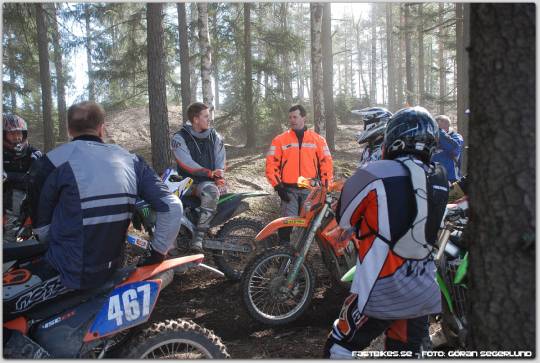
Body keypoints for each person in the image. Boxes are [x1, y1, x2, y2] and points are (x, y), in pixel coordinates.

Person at [323, 106, 449, 358]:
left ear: (394, 138)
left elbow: (344, 220)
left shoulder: (371, 173)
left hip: (380, 289)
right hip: (422, 290)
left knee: (338, 347)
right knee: (405, 353)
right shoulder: (440, 177)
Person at [26, 101, 183, 292]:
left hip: (65, 273)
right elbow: (173, 207)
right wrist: (156, 254)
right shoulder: (131, 161)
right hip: (114, 271)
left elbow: (41, 228)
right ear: (102, 128)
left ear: (68, 129)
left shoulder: (50, 162)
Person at [265, 104, 333, 247]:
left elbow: (326, 164)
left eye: (295, 117)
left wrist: (326, 188)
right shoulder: (280, 140)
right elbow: (271, 165)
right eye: (290, 117)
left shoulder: (318, 140)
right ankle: (282, 254)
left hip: (310, 191)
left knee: (308, 226)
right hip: (288, 190)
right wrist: (278, 187)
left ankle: (300, 259)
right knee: (286, 223)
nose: (292, 120)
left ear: (303, 117)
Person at [171, 102, 226, 252]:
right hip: (185, 182)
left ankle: (198, 239)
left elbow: (220, 158)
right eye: (206, 116)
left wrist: (219, 175)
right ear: (195, 119)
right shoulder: (179, 138)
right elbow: (186, 162)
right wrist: (209, 172)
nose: (209, 119)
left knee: (212, 192)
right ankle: (168, 243)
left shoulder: (215, 136)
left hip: (205, 183)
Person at [3, 114, 42, 216]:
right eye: (11, 134)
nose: (17, 137)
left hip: (29, 192)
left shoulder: (33, 152)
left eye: (19, 133)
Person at [431, 115, 464, 182]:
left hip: (451, 178)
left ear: (448, 125)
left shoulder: (457, 137)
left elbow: (454, 149)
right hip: (433, 177)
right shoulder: (431, 138)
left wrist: (440, 133)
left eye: (437, 126)